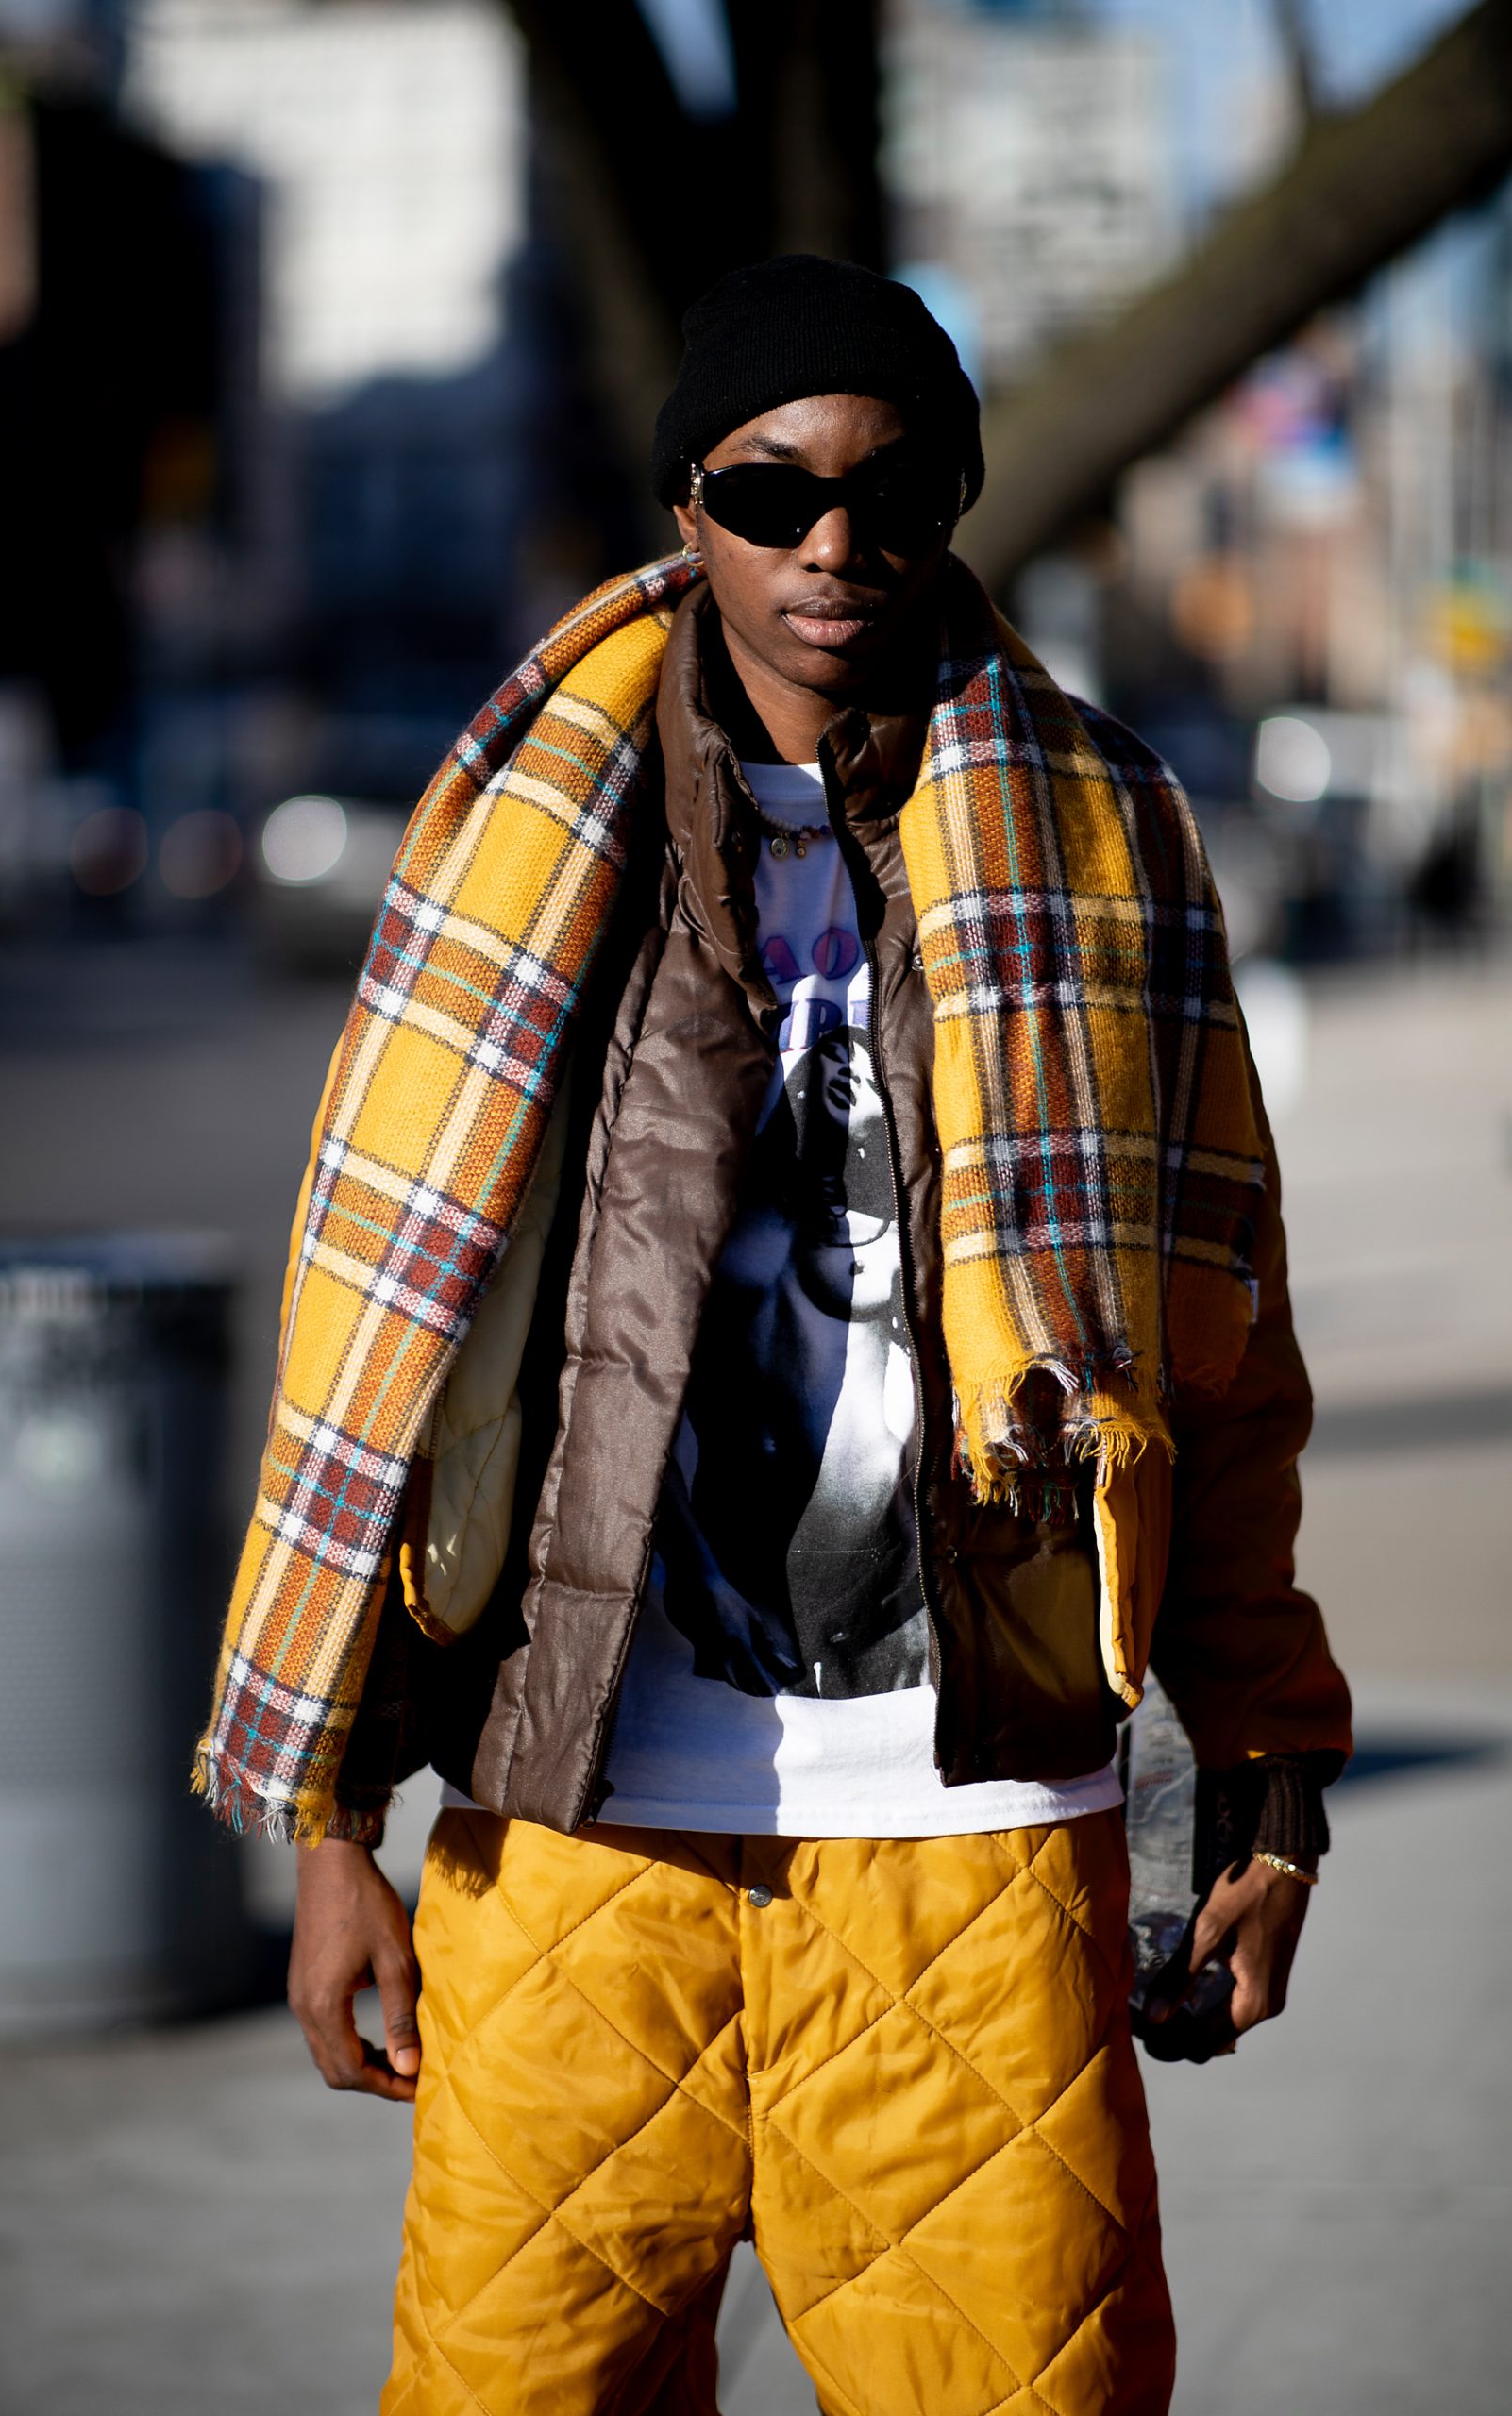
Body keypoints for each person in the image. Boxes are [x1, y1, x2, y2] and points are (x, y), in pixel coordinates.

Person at [196, 257, 1351, 2416]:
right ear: (687, 507)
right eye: (768, 489)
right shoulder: (533, 846)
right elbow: (378, 1343)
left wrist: (1265, 1783)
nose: (831, 542)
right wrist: (332, 1818)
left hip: (974, 1846)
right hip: (576, 1830)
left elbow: (1214, 1344)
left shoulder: (1104, 836)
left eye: (889, 491)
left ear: (952, 505)